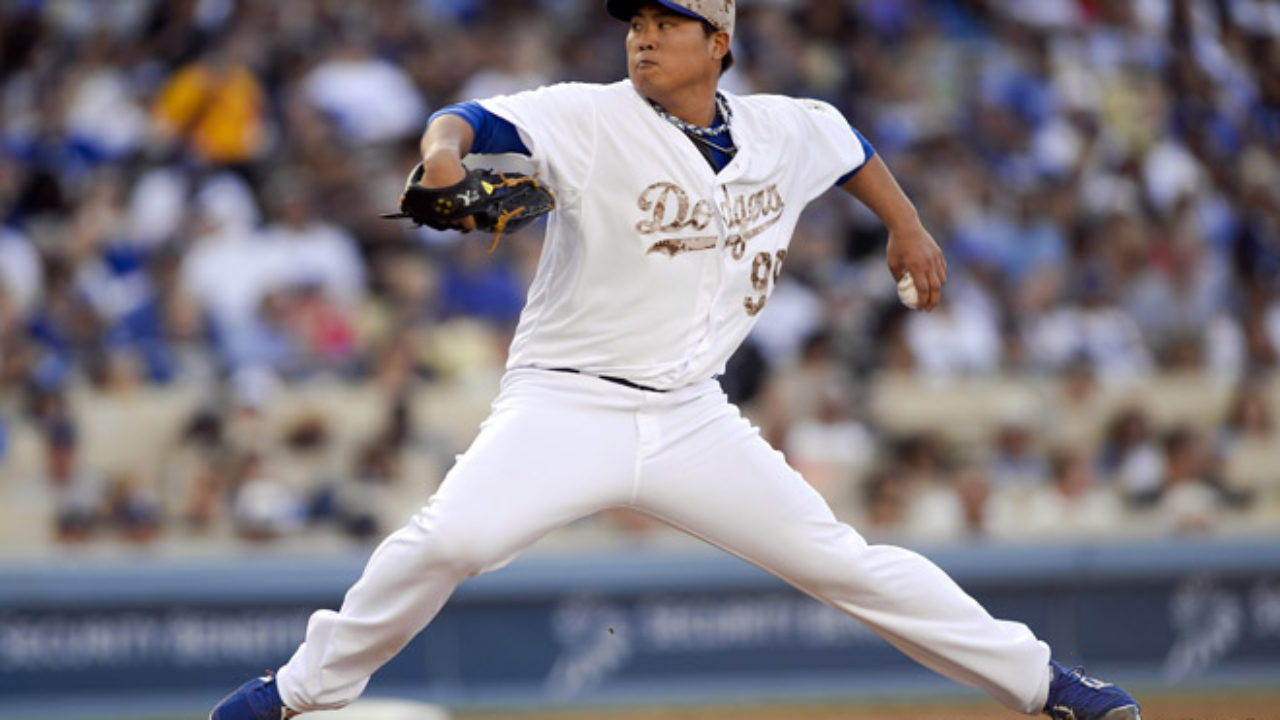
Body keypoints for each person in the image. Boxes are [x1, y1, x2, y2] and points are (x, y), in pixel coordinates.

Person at [210, 3, 1142, 719]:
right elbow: (466, 118)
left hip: (694, 414)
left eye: (667, 24)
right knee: (451, 542)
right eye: (637, 25)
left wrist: (906, 226)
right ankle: (292, 693)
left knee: (845, 565)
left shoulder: (787, 127)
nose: (643, 39)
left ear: (719, 42)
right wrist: (444, 160)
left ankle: (1046, 685)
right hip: (566, 404)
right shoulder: (589, 115)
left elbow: (850, 147)